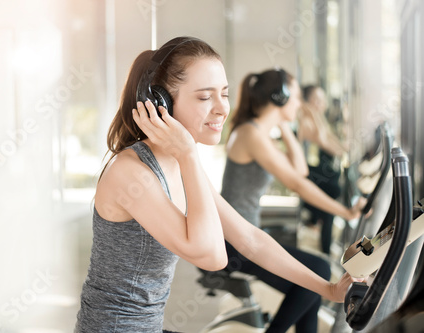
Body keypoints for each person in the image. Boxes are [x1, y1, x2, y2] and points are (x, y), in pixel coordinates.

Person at [74, 37, 362, 333]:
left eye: (224, 94)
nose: (222, 108)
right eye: (204, 97)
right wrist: (187, 153)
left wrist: (328, 290)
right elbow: (213, 256)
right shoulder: (132, 173)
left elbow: (249, 239)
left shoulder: (176, 162)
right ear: (160, 102)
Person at [220, 69, 365, 333]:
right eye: (295, 97)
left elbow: (300, 169)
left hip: (246, 235)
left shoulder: (258, 133)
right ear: (280, 97)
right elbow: (298, 183)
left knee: (310, 281)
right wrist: (346, 213)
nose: (299, 104)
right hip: (235, 243)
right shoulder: (250, 135)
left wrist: (283, 124)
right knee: (318, 271)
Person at [298, 85, 349, 255]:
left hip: (311, 172)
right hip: (304, 176)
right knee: (334, 192)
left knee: (334, 186)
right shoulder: (305, 120)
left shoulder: (316, 119)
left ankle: (326, 246)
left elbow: (330, 140)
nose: (323, 105)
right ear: (308, 102)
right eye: (317, 101)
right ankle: (325, 250)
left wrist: (345, 149)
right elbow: (322, 139)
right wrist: (312, 111)